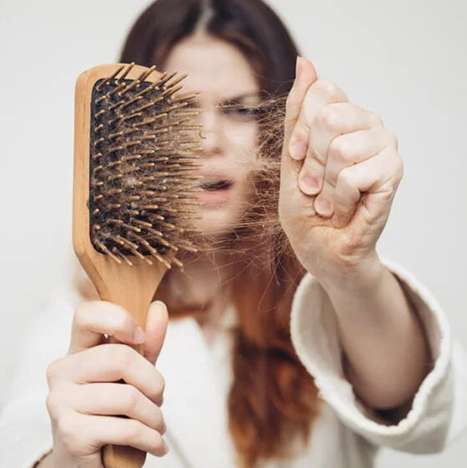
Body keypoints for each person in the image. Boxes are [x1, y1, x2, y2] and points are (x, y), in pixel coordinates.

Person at [1, 0, 466, 467]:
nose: (207, 139)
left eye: (240, 111)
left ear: (284, 126)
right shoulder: (83, 312)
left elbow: (416, 406)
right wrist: (67, 458)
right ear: (132, 131)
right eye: (179, 110)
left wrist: (349, 272)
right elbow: (26, 438)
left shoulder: (328, 300)